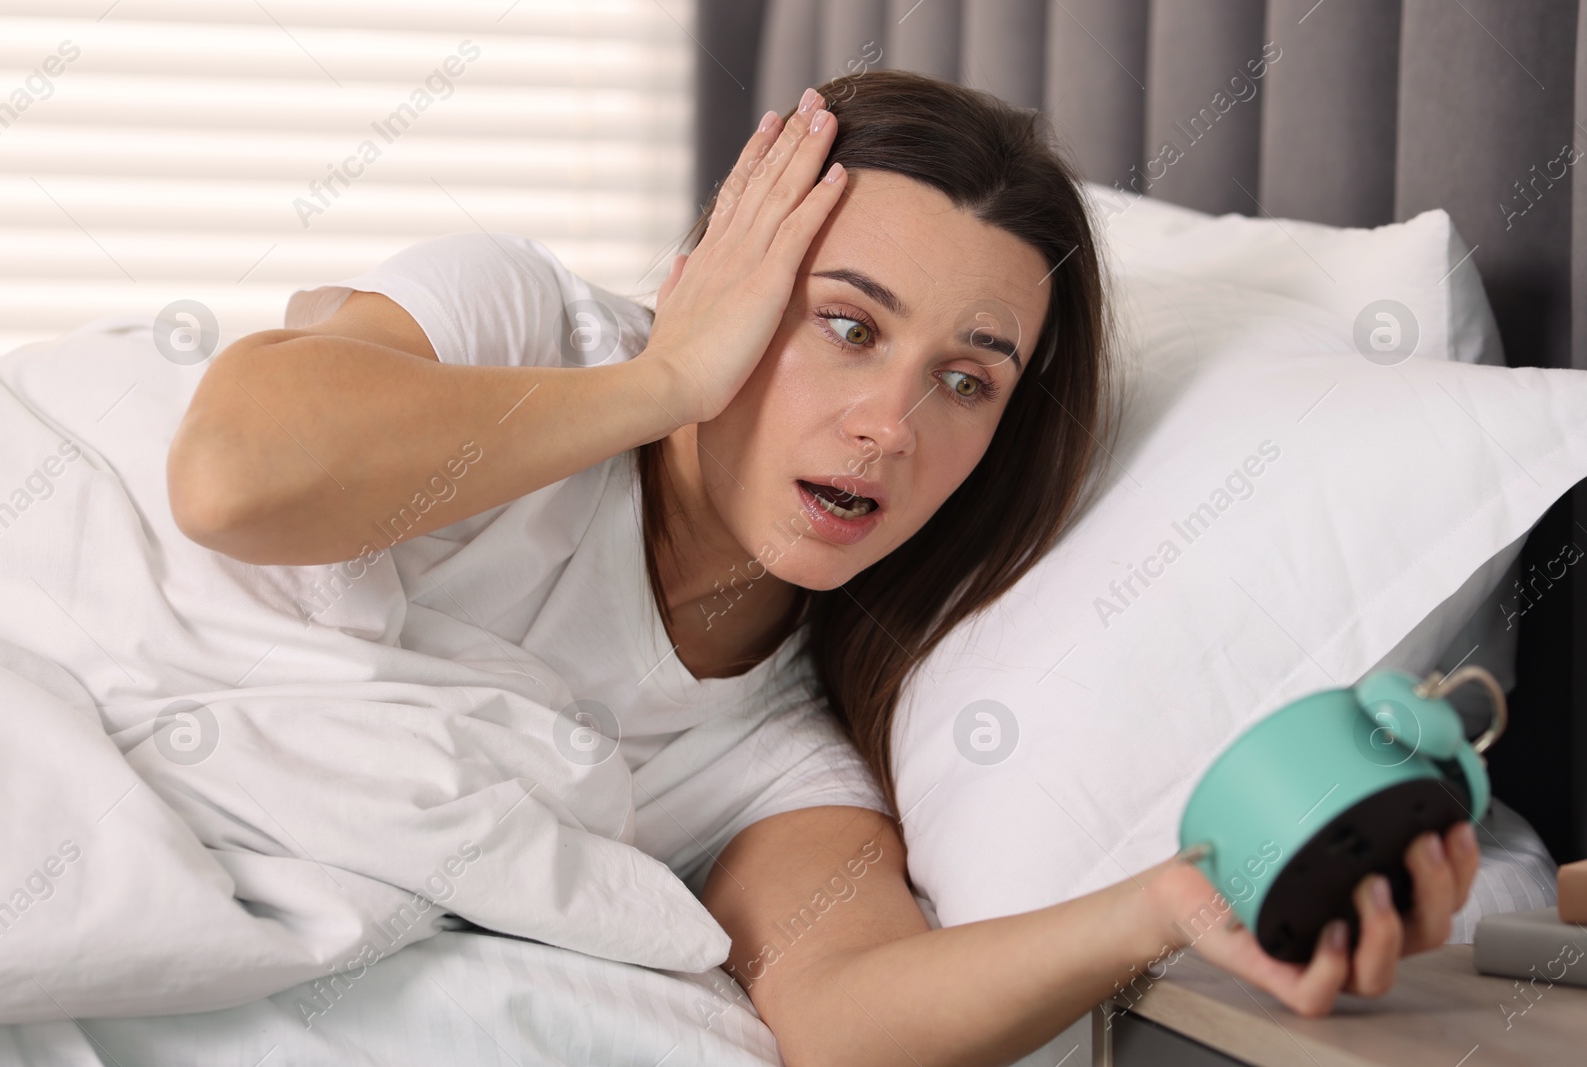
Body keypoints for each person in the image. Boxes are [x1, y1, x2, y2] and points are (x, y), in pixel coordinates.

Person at [167, 71, 1480, 1066]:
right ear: (715, 282)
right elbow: (232, 479)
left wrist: (1164, 906)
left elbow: (846, 1014)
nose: (892, 424)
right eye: (845, 325)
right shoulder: (525, 322)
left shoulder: (779, 749)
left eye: (967, 379)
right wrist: (667, 376)